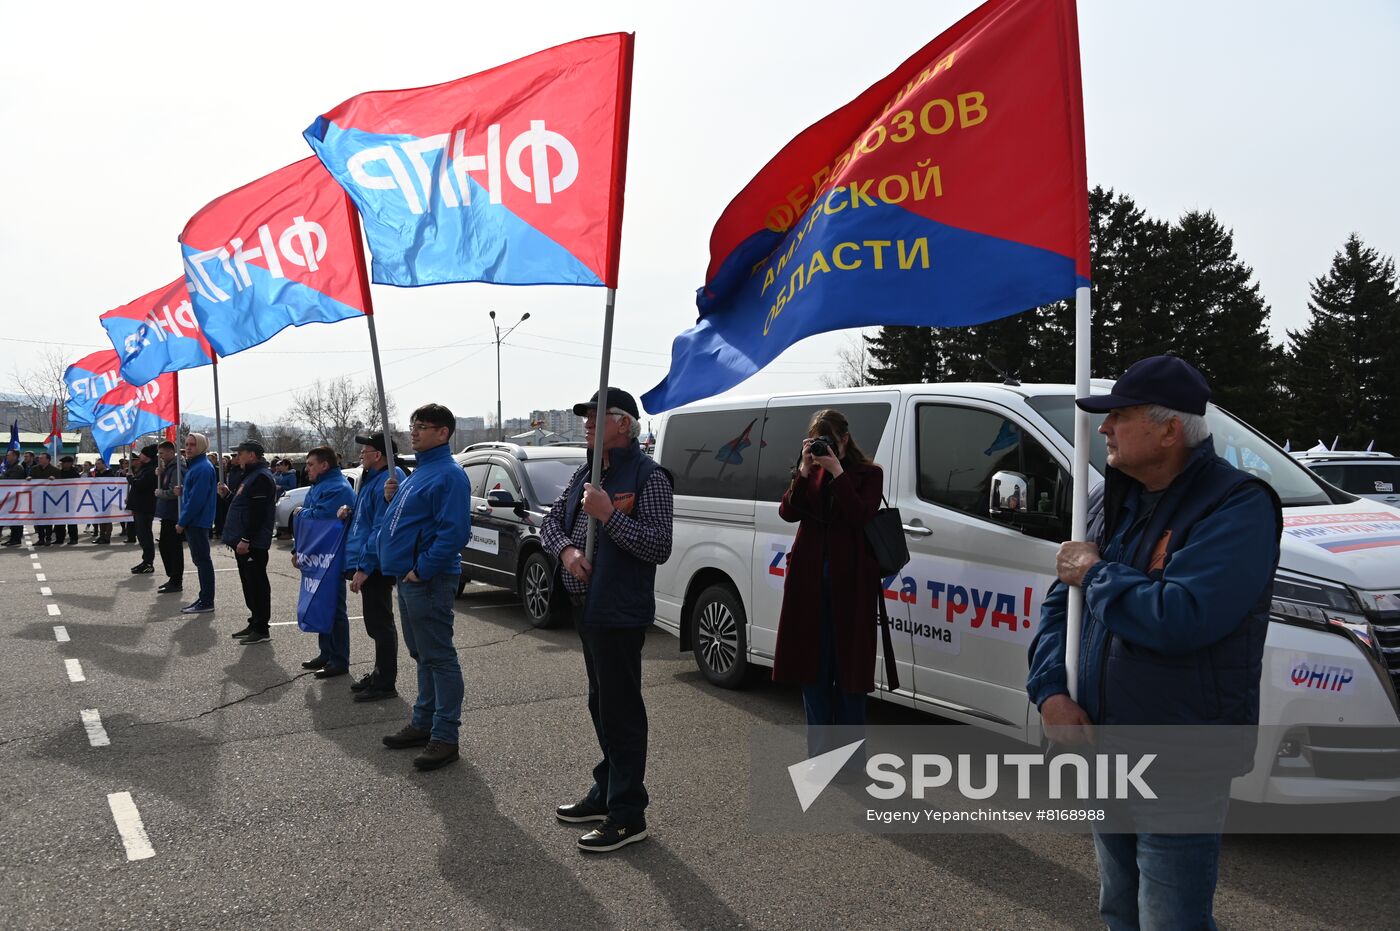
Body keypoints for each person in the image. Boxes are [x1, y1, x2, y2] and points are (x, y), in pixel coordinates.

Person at [1027, 355, 1282, 930]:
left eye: (1119, 415)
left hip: (1179, 758)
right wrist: (1049, 693)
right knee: (1119, 907)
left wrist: (1095, 574)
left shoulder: (1237, 505)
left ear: (1170, 430)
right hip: (1104, 746)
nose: (1103, 428)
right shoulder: (1108, 501)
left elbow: (1182, 616)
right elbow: (1056, 607)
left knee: (1171, 919)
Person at [541, 387, 674, 853]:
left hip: (619, 610)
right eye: (585, 417)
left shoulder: (649, 477)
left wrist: (609, 516)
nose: (588, 424)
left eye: (598, 417)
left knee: (621, 711)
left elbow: (658, 546)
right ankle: (608, 788)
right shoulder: (586, 472)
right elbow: (550, 523)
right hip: (586, 609)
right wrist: (569, 550)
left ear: (625, 424)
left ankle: (627, 813)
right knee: (600, 705)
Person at [772, 410, 883, 767]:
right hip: (808, 586)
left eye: (830, 440)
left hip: (851, 587)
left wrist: (837, 472)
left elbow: (861, 515)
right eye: (816, 441)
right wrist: (805, 471)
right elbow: (788, 512)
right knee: (813, 672)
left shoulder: (869, 473)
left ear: (845, 439)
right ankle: (821, 758)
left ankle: (850, 762)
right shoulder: (809, 473)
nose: (824, 448)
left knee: (849, 676)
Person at [377, 404, 472, 772]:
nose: (413, 432)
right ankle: (423, 722)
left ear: (443, 433)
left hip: (427, 580)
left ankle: (445, 736)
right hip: (408, 577)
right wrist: (391, 499)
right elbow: (410, 520)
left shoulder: (449, 474)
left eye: (422, 426)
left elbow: (454, 532)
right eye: (412, 425)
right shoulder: (420, 472)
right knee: (422, 654)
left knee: (439, 657)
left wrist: (422, 569)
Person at [340, 432, 406, 702]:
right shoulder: (372, 480)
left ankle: (385, 682)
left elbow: (381, 528)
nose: (361, 455)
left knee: (380, 623)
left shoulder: (389, 481)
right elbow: (367, 519)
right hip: (367, 560)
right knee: (375, 622)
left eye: (365, 451)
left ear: (378, 455)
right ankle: (380, 672)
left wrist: (365, 567)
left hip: (377, 563)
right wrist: (350, 512)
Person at [293, 446, 355, 674]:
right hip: (317, 556)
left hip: (332, 556)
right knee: (321, 603)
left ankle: (339, 660)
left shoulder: (337, 488)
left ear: (324, 465)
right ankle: (326, 653)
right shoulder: (320, 486)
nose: (307, 469)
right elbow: (306, 523)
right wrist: (296, 549)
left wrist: (300, 513)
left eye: (310, 464)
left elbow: (319, 519)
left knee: (335, 607)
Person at [222, 440, 278, 645]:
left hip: (253, 542)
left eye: (241, 453)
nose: (237, 457)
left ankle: (262, 628)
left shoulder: (261, 477)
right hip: (243, 541)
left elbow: (258, 513)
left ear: (252, 455)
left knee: (257, 584)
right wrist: (228, 495)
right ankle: (254, 621)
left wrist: (246, 539)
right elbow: (243, 507)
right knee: (248, 583)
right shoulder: (250, 475)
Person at [176, 433, 217, 614]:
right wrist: (183, 489)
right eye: (186, 444)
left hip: (198, 521)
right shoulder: (197, 466)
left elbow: (196, 500)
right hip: (197, 521)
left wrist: (182, 521)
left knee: (202, 561)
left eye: (192, 444)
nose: (188, 448)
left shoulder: (202, 467)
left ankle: (207, 600)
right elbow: (194, 493)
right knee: (200, 560)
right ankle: (204, 598)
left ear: (201, 446)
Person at [153, 441, 184, 593]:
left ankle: (176, 580)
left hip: (174, 514)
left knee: (173, 547)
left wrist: (160, 493)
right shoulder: (170, 468)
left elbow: (174, 491)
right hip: (168, 513)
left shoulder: (177, 468)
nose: (160, 457)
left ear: (171, 452)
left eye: (162, 453)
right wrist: (162, 473)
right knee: (165, 545)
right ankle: (172, 577)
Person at [127, 445, 158, 573]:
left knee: (145, 535)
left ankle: (148, 562)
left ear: (147, 456)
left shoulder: (151, 470)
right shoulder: (145, 468)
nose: (140, 456)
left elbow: (140, 484)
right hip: (140, 506)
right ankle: (145, 560)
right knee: (141, 535)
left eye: (142, 454)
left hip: (145, 507)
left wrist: (130, 478)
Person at [29, 452, 60, 546]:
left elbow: (61, 485)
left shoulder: (55, 470)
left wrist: (55, 479)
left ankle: (48, 538)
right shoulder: (34, 469)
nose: (39, 460)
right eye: (39, 458)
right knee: (38, 520)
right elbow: (32, 480)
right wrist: (29, 479)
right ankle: (40, 538)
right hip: (37, 498)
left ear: (48, 460)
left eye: (42, 458)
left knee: (48, 520)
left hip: (50, 499)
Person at [2, 450, 25, 545]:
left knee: (16, 519)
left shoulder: (18, 467)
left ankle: (16, 538)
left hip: (15, 497)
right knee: (11, 518)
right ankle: (13, 538)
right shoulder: (11, 467)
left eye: (9, 455)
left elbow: (11, 481)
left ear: (15, 456)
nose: (7, 457)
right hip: (9, 496)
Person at [57, 455, 81, 544]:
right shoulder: (59, 472)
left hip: (71, 499)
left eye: (64, 463)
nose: (62, 464)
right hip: (60, 499)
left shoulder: (75, 474)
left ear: (69, 463)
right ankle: (59, 539)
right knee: (59, 520)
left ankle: (73, 538)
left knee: (71, 520)